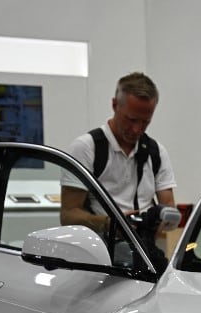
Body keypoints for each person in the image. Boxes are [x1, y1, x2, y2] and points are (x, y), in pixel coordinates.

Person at [60, 72, 176, 258]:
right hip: (96, 256)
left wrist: (162, 219)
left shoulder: (156, 152)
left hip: (143, 254)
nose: (137, 129)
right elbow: (68, 215)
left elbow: (169, 207)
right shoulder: (86, 148)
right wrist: (110, 223)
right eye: (131, 120)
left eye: (145, 122)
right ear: (115, 105)